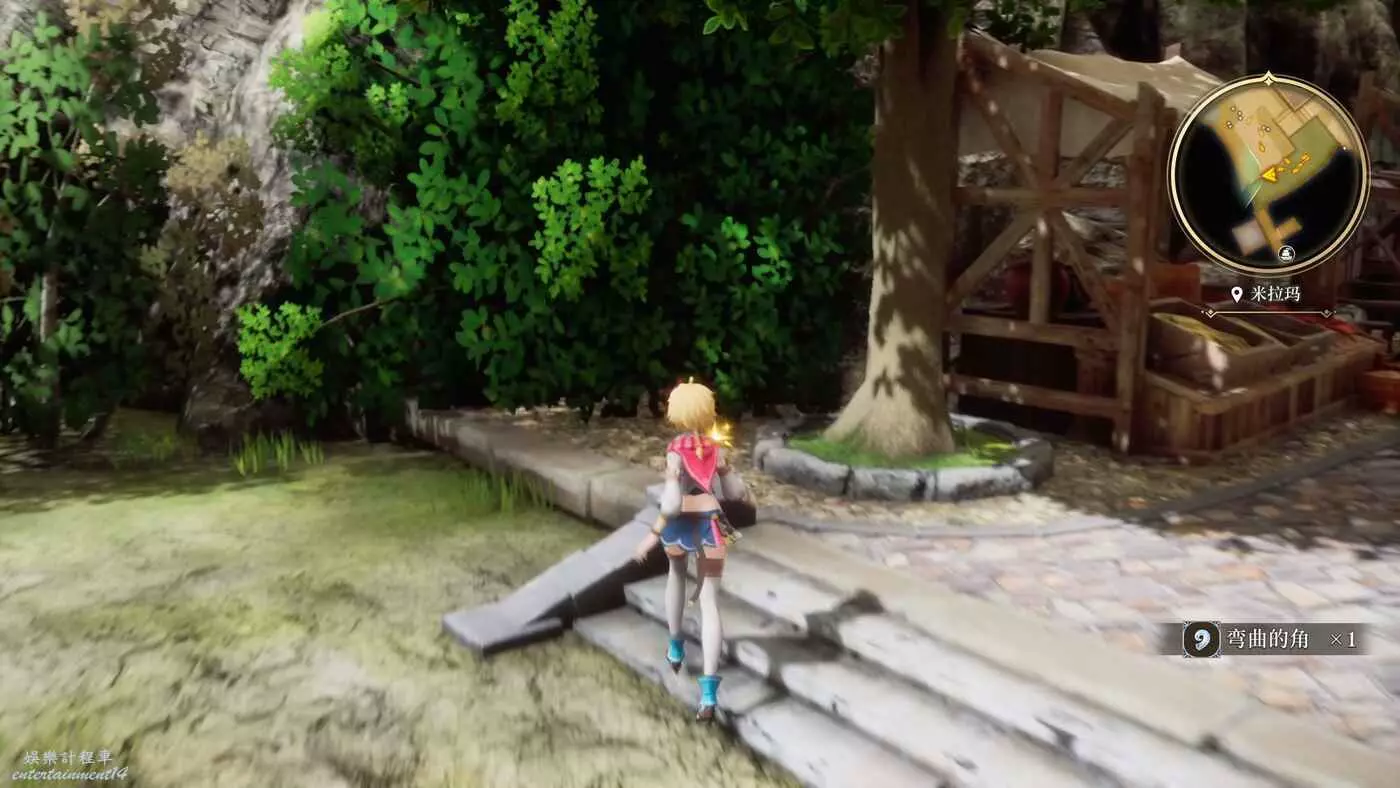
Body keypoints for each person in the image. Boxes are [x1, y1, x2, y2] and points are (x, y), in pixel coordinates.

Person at [632, 379, 747, 721]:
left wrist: (652, 532)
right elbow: (735, 493)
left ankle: (675, 645)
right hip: (711, 525)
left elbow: (670, 504)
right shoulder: (717, 449)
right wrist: (726, 468)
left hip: (681, 524)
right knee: (710, 602)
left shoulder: (675, 449)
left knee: (676, 575)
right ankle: (708, 694)